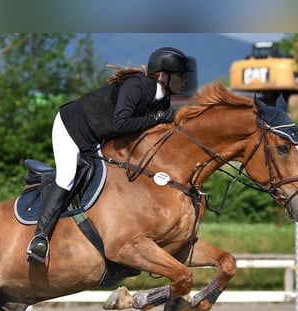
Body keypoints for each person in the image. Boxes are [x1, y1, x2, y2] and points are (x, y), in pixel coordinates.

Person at [26, 46, 194, 264]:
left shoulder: (163, 100)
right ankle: (39, 239)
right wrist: (162, 117)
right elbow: (121, 123)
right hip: (72, 127)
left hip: (98, 137)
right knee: (67, 176)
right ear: (163, 75)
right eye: (180, 75)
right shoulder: (137, 86)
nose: (184, 81)